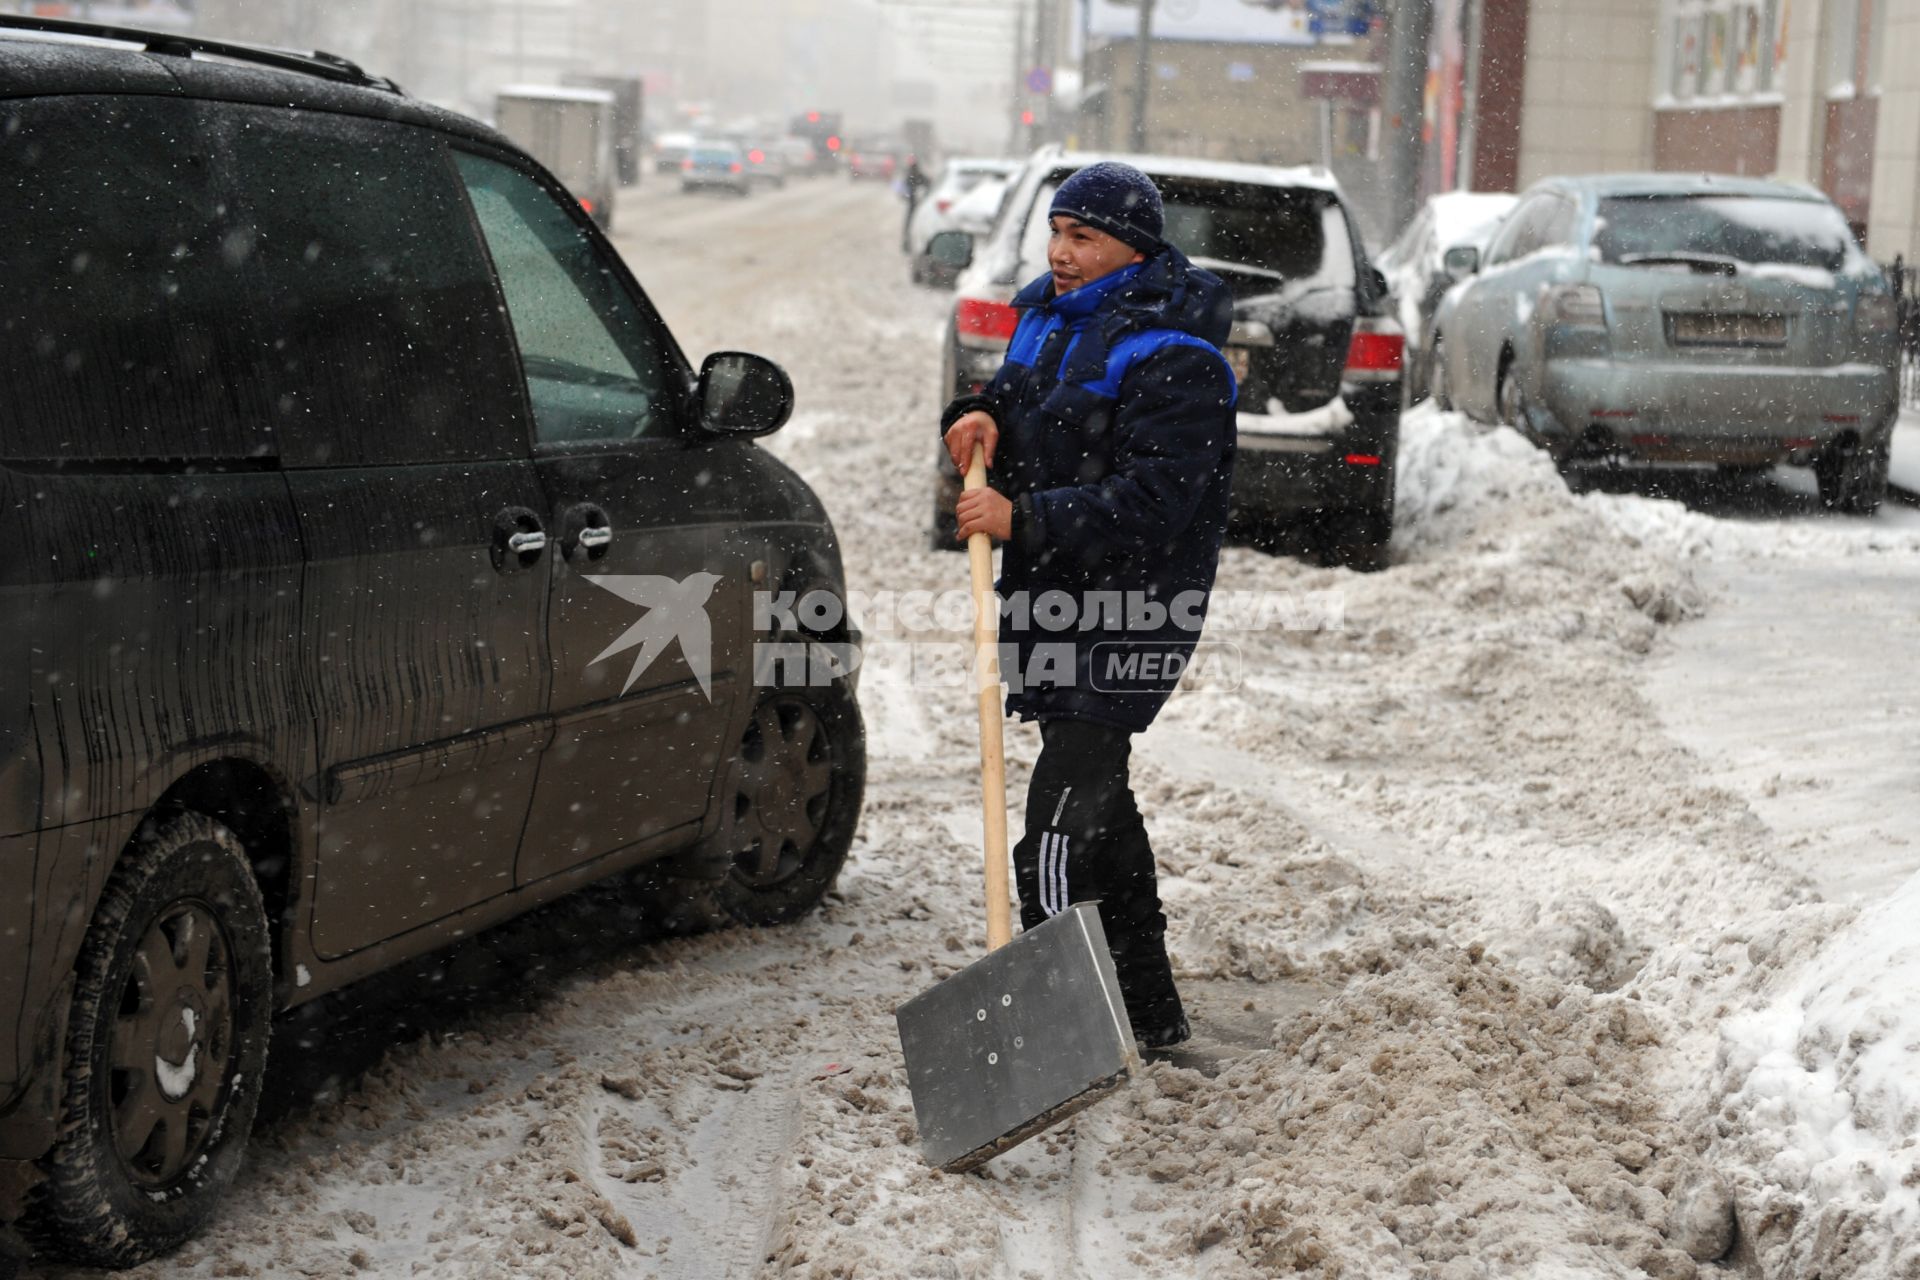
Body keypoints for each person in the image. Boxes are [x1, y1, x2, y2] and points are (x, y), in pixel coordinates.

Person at [939, 161, 1237, 1048]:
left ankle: (1057, 1022)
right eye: (1056, 232)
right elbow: (1026, 404)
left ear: (1132, 250)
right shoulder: (1046, 318)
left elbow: (1158, 503)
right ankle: (1149, 1017)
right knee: (1102, 808)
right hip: (1053, 595)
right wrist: (979, 411)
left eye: (1084, 238)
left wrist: (1021, 516)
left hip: (1134, 606)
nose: (1062, 253)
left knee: (1062, 818)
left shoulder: (1175, 352)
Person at [902, 155, 930, 252]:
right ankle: (909, 244)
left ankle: (907, 244)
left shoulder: (911, 174)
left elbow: (904, 188)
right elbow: (927, 182)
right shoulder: (917, 174)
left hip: (914, 203)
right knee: (913, 224)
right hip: (917, 203)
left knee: (910, 224)